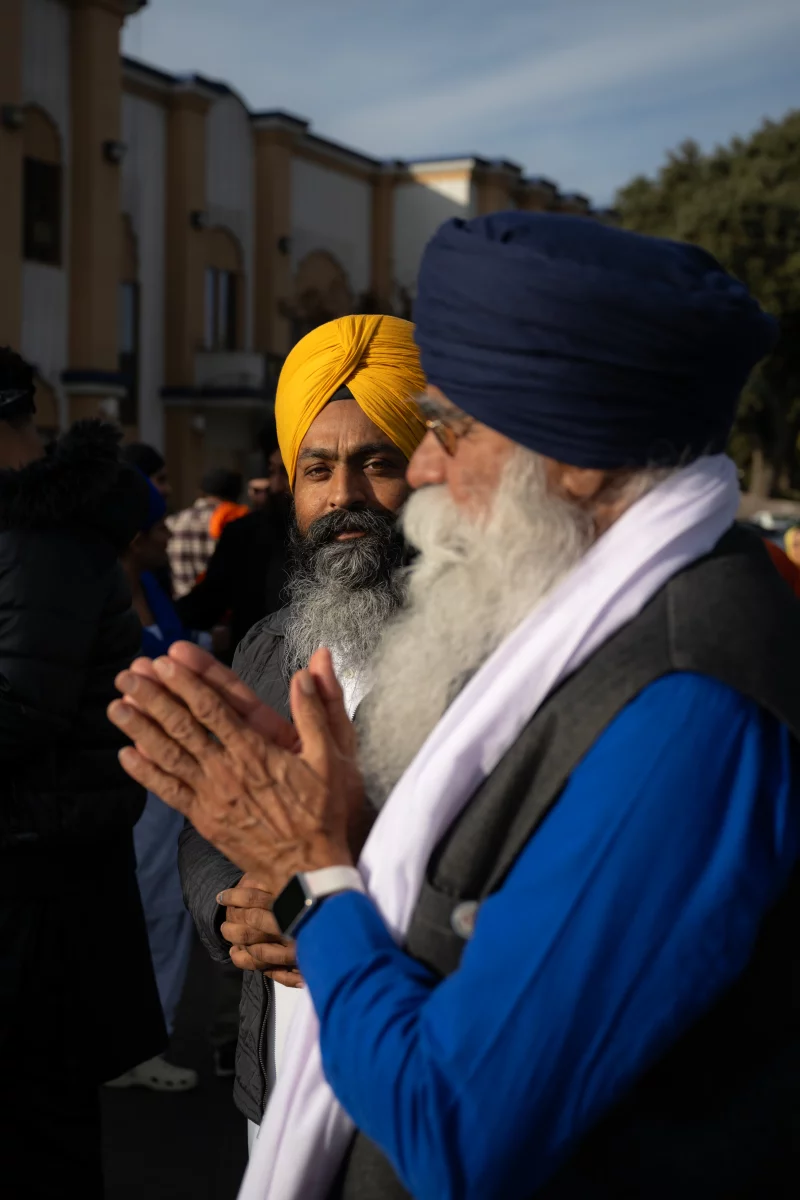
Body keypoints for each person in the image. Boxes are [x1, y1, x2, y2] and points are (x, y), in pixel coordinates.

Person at [109, 215, 800, 1200]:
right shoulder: (598, 622)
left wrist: (314, 878)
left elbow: (459, 1128)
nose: (425, 469)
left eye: (449, 428)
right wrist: (297, 849)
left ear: (579, 455)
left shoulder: (688, 701)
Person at [176, 314, 426, 1147]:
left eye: (377, 464)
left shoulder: (487, 651)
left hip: (411, 1065)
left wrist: (312, 903)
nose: (343, 498)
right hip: (280, 1073)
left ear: (427, 473)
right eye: (317, 469)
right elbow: (208, 825)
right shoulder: (270, 643)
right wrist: (236, 911)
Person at [0, 349, 165, 1198]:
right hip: (36, 863)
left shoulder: (39, 539)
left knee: (36, 1130)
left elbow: (21, 706)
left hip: (39, 880)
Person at [106, 479, 199, 1092]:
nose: (172, 536)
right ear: (138, 538)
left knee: (165, 910)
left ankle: (145, 1040)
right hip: (127, 779)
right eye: (162, 528)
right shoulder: (100, 596)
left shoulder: (148, 588)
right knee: (141, 913)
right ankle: (129, 1045)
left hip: (166, 778)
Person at [175, 427, 292, 664]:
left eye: (287, 473)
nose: (277, 486)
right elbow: (207, 602)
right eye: (273, 472)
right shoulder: (243, 533)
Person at [167, 467, 243, 598]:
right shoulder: (235, 523)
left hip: (180, 607)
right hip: (219, 609)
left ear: (201, 492)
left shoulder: (173, 522)